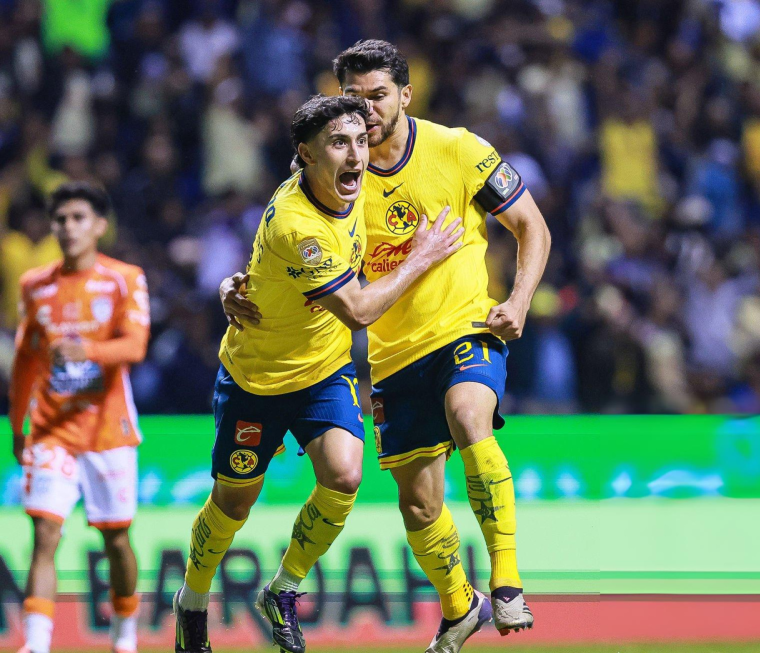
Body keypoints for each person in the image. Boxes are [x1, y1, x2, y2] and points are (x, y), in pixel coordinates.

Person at [222, 39, 551, 652]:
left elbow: (532, 224)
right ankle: (460, 610)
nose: (366, 111)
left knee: (468, 416)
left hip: (464, 329)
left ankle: (506, 578)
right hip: (392, 358)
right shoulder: (330, 172)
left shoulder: (459, 150)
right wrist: (228, 288)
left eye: (378, 96)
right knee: (421, 508)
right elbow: (276, 246)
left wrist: (520, 300)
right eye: (354, 98)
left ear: (405, 94)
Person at [172, 94, 463, 653]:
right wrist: (421, 256)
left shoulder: (352, 181)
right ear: (304, 156)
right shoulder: (297, 227)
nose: (357, 155)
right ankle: (191, 602)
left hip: (323, 373)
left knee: (345, 476)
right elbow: (356, 311)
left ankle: (282, 589)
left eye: (360, 141)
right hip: (256, 380)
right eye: (339, 144)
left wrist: (232, 284)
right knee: (233, 503)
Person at [12, 182, 150, 653]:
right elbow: (25, 362)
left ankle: (125, 631)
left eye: (78, 218)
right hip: (51, 429)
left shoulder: (124, 279)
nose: (68, 227)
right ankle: (35, 643)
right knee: (45, 532)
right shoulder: (34, 285)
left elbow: (135, 346)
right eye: (61, 219)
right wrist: (17, 426)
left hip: (108, 430)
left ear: (99, 226)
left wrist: (86, 349)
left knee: (115, 540)